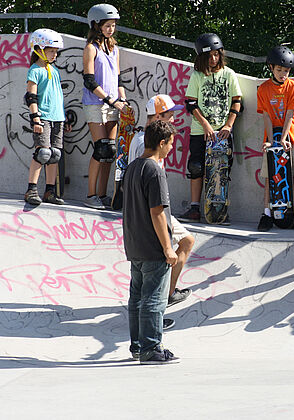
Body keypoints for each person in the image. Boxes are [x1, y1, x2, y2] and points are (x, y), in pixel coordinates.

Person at [128, 95, 194, 316]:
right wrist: (166, 246)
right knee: (155, 265)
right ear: (157, 116)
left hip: (155, 208)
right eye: (169, 115)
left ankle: (166, 294)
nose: (173, 119)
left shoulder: (148, 140)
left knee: (187, 241)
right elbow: (140, 182)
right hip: (151, 210)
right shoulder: (143, 145)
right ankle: (158, 304)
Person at [123, 120, 179, 364]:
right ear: (161, 142)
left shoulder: (133, 166)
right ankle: (151, 348)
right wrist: (168, 248)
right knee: (154, 299)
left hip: (134, 243)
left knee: (136, 298)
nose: (171, 150)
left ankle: (137, 346)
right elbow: (157, 212)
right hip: (153, 245)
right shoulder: (155, 170)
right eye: (170, 145)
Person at [179, 33, 242, 224]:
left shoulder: (229, 74)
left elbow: (237, 101)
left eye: (216, 55)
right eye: (209, 56)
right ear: (202, 57)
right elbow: (191, 103)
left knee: (220, 170)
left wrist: (229, 125)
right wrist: (205, 125)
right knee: (196, 167)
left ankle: (219, 207)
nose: (213, 59)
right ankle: (195, 208)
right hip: (201, 131)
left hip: (223, 132)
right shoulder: (197, 76)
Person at [257, 45, 294, 232]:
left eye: (286, 71)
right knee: (270, 176)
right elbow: (266, 116)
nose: (283, 74)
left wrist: (284, 139)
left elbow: (289, 114)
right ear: (271, 67)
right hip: (272, 136)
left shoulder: (293, 87)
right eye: (279, 70)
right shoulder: (263, 89)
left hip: (291, 137)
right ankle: (266, 214)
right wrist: (271, 141)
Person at [82, 4, 127, 210]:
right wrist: (111, 100)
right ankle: (90, 195)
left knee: (110, 151)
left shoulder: (114, 49)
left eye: (113, 25)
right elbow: (89, 81)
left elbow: (118, 79)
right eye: (107, 25)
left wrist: (123, 101)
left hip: (113, 104)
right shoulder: (91, 48)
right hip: (95, 103)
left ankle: (102, 194)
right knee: (101, 149)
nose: (111, 29)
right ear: (96, 25)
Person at [24, 29, 72, 206]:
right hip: (43, 118)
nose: (55, 54)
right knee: (42, 153)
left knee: (55, 155)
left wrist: (64, 118)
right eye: (51, 51)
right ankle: (32, 190)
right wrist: (36, 118)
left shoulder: (55, 70)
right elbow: (31, 96)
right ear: (39, 49)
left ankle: (50, 191)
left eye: (56, 51)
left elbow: (58, 96)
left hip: (57, 117)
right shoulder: (34, 70)